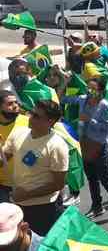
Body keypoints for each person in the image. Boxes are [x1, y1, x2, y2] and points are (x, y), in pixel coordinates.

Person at [57, 77, 108, 223]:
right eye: (88, 87)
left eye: (93, 89)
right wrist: (64, 81)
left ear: (101, 91)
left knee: (105, 178)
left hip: (99, 146)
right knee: (92, 179)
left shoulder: (104, 105)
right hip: (84, 145)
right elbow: (62, 99)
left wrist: (90, 120)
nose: (89, 91)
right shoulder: (82, 99)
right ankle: (97, 207)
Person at [1, 100, 68, 236]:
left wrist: (26, 194)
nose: (30, 117)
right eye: (31, 113)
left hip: (44, 209)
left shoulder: (57, 146)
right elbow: (3, 159)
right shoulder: (18, 133)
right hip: (19, 204)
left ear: (50, 121)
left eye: (37, 116)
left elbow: (58, 184)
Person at [0, 91, 25, 203]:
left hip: (26, 183)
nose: (15, 106)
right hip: (2, 185)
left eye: (16, 102)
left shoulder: (28, 122)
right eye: (10, 104)